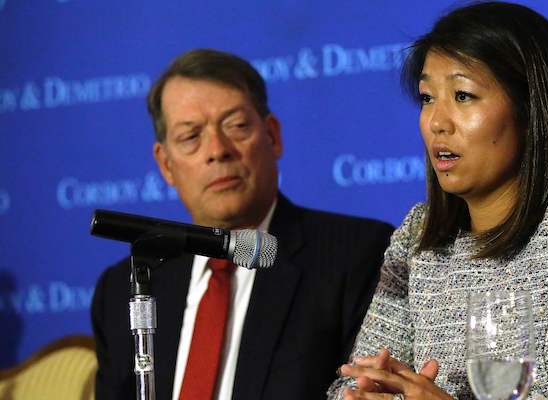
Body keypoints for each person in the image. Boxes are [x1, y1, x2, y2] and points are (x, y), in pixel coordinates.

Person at [327, 2, 548, 399]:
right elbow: (354, 380)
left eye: (463, 95)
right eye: (427, 98)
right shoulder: (418, 233)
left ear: (530, 109)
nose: (436, 122)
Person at [91, 49, 394, 400]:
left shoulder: (353, 255)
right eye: (191, 137)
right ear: (166, 165)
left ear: (272, 135)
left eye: (236, 126)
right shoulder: (122, 291)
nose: (217, 150)